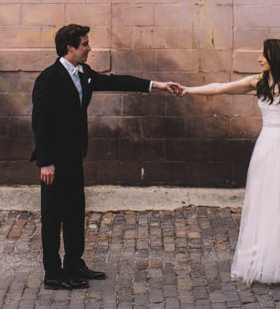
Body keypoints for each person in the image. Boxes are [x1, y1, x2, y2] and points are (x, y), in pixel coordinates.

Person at [178, 38, 280, 284]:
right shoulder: (257, 82)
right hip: (266, 146)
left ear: (277, 58)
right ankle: (254, 257)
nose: (259, 59)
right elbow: (220, 87)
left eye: (264, 55)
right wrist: (188, 90)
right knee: (262, 198)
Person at [31, 23, 180, 290]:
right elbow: (40, 123)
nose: (90, 48)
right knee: (53, 215)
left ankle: (74, 263)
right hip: (53, 162)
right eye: (85, 44)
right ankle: (53, 273)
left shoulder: (84, 72)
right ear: (70, 47)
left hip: (75, 157)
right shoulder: (48, 79)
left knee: (76, 211)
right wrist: (45, 162)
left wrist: (156, 85)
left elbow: (115, 81)